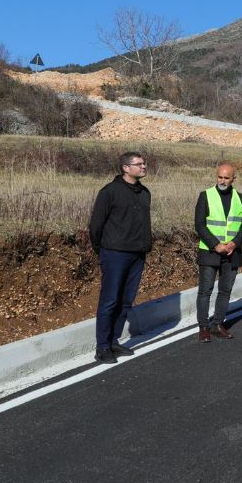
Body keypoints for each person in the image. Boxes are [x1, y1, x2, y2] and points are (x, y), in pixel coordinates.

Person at [89, 151, 152, 364]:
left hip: (137, 254)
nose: (144, 167)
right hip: (115, 254)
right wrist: (103, 250)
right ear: (126, 167)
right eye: (139, 164)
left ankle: (114, 340)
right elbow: (96, 226)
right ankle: (102, 347)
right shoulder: (110, 192)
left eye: (144, 163)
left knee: (126, 301)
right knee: (110, 300)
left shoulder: (144, 193)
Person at [194, 161, 242, 343]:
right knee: (205, 291)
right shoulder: (206, 196)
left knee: (225, 291)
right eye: (220, 177)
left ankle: (217, 324)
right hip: (210, 251)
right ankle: (203, 328)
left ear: (234, 178)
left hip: (232, 252)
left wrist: (235, 243)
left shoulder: (240, 198)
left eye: (227, 178)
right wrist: (215, 244)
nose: (222, 181)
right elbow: (200, 224)